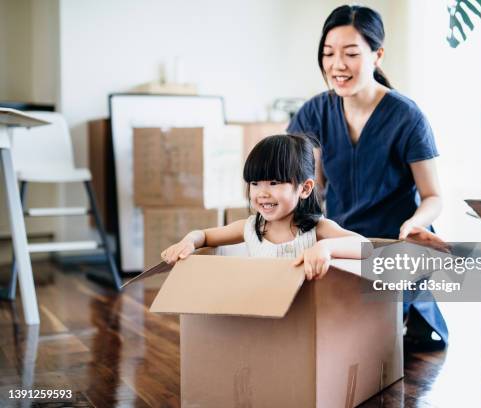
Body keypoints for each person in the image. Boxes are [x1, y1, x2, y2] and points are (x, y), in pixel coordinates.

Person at [287, 5, 448, 351]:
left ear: (377, 55)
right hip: (340, 244)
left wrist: (415, 224)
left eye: (350, 53)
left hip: (393, 245)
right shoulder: (314, 113)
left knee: (370, 345)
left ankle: (408, 314)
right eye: (328, 54)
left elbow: (433, 195)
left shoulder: (407, 116)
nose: (337, 65)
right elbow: (308, 192)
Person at [161, 134, 371, 280]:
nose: (262, 193)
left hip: (305, 319)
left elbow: (365, 246)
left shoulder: (317, 229)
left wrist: (325, 248)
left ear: (305, 188)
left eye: (274, 183)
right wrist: (189, 241)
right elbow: (204, 236)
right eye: (255, 183)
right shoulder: (250, 228)